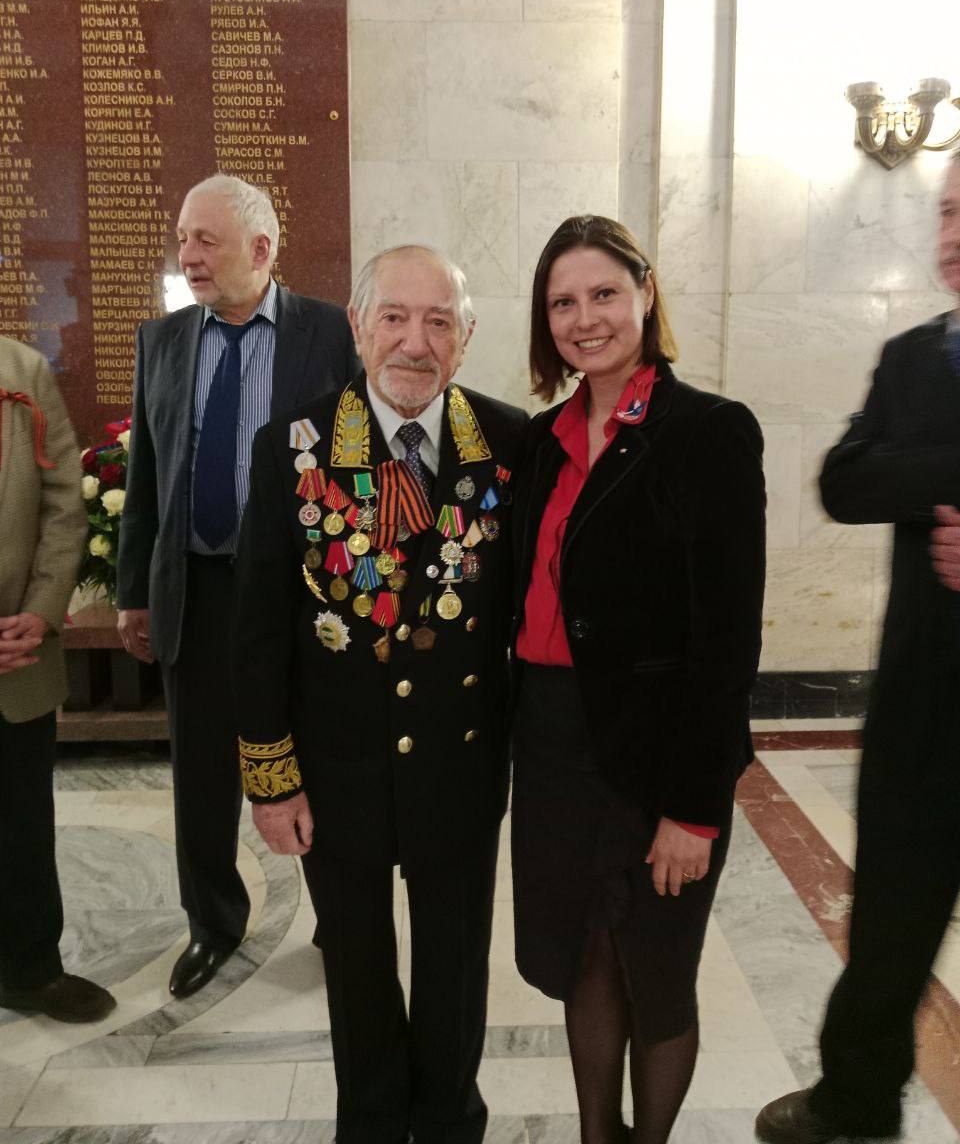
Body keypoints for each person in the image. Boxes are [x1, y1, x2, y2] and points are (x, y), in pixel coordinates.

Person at [232, 245, 527, 1144]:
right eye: (394, 317)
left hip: (461, 762)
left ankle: (448, 1120)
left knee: (455, 968)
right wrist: (272, 779)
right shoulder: (294, 447)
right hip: (338, 769)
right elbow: (257, 629)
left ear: (466, 338)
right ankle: (368, 1122)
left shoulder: (511, 443)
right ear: (358, 328)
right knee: (357, 966)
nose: (415, 342)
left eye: (439, 321)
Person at [510, 216, 766, 1144]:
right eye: (563, 303)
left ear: (646, 294)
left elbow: (727, 642)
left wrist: (693, 808)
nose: (585, 319)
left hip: (659, 755)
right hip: (553, 745)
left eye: (604, 294)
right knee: (584, 957)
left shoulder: (708, 433)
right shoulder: (540, 441)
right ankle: (596, 1135)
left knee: (656, 973)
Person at [755, 153, 960, 1143]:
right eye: (949, 211)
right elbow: (844, 480)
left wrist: (912, 471)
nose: (953, 235)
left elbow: (882, 470)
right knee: (888, 915)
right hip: (922, 694)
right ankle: (857, 1100)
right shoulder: (914, 356)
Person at [116, 174, 357, 999]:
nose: (187, 254)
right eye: (183, 237)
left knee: (318, 755)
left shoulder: (328, 332)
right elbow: (146, 478)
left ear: (260, 249)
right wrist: (134, 590)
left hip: (299, 594)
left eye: (205, 240)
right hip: (196, 588)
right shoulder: (162, 340)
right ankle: (213, 923)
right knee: (201, 775)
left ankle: (341, 916)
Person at [0, 337, 116, 1023]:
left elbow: (63, 504)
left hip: (19, 653)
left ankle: (30, 968)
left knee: (22, 822)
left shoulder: (22, 372)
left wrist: (42, 612)